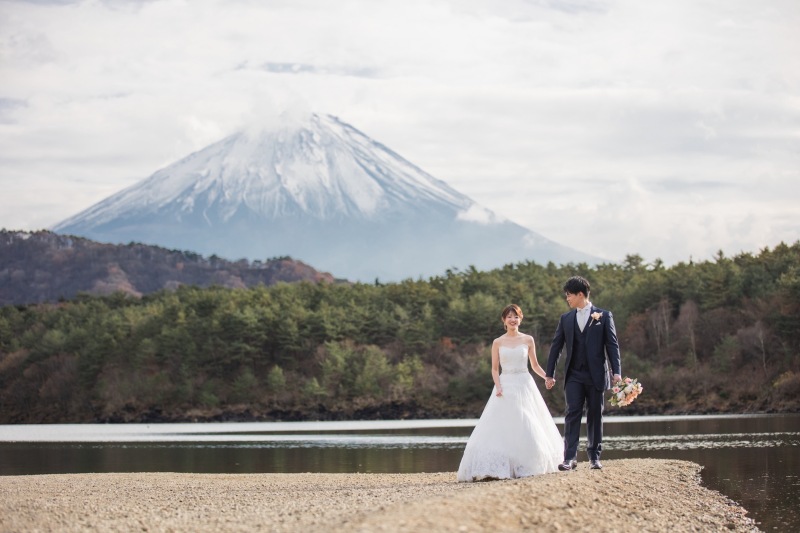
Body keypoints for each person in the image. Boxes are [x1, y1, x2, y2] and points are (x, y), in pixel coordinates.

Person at [457, 304, 563, 482]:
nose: (513, 320)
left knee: (527, 422)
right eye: (509, 317)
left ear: (520, 319)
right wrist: (498, 386)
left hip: (524, 384)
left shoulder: (528, 339)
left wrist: (547, 377)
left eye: (516, 316)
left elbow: (534, 365)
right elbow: (494, 369)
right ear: (504, 321)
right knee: (501, 425)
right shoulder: (497, 342)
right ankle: (499, 465)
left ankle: (527, 463)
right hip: (505, 384)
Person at [545, 276, 621, 471]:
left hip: (596, 374)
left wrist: (616, 372)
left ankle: (594, 457)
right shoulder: (566, 319)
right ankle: (569, 458)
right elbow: (556, 347)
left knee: (595, 414)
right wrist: (549, 373)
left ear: (580, 294)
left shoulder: (604, 316)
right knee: (572, 413)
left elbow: (612, 345)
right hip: (574, 375)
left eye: (569, 295)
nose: (567, 299)